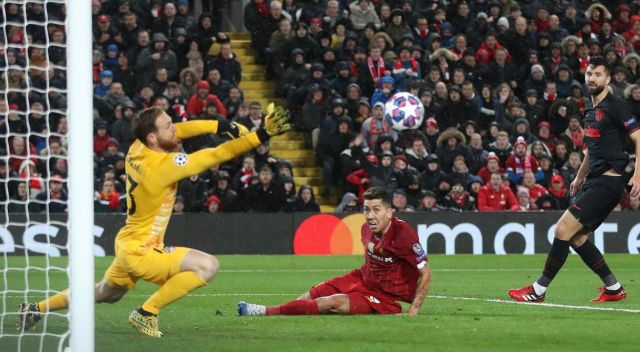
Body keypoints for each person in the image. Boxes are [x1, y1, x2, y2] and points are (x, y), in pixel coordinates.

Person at [17, 104, 291, 337]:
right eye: (168, 126)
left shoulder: (138, 148)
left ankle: (36, 308)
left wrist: (219, 125)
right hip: (143, 251)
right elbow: (216, 155)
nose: (176, 128)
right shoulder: (163, 167)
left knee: (105, 293)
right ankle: (147, 312)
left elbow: (181, 131)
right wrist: (262, 134)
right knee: (207, 266)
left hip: (128, 242)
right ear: (152, 137)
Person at [509, 57, 640, 303]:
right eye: (589, 73)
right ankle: (614, 288)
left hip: (608, 182)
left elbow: (639, 138)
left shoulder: (617, 105)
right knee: (577, 237)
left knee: (562, 229)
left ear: (608, 79)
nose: (592, 78)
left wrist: (638, 175)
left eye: (598, 74)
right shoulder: (591, 109)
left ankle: (538, 291)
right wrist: (579, 176)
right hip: (594, 180)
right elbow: (592, 148)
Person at [238, 187, 432, 316]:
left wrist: (414, 309)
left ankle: (263, 311)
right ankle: (288, 312)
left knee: (331, 302)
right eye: (366, 209)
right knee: (310, 295)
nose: (370, 216)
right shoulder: (365, 229)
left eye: (376, 210)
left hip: (384, 297)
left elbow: (426, 273)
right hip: (361, 278)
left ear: (389, 212)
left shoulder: (403, 234)